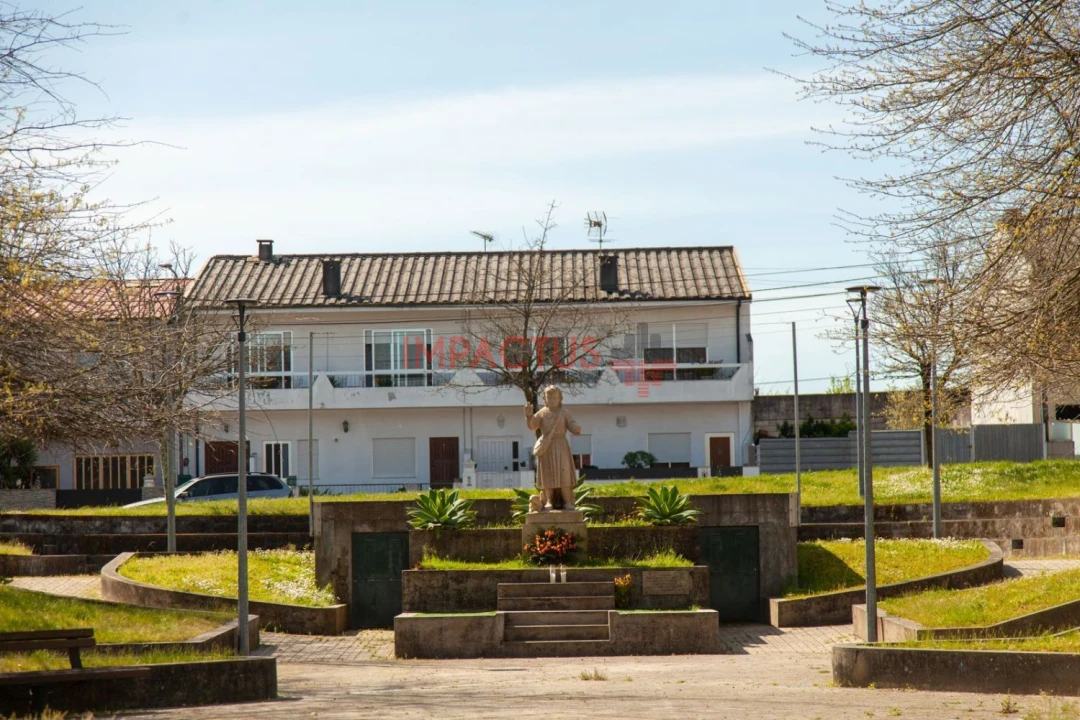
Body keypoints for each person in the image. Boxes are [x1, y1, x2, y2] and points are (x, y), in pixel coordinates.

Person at [524, 385, 582, 511]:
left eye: (555, 397)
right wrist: (529, 416)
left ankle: (567, 501)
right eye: (549, 397)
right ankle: (549, 501)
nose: (552, 400)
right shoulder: (542, 413)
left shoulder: (565, 412)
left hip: (561, 445)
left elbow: (572, 424)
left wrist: (575, 428)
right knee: (547, 473)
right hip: (547, 446)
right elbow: (533, 426)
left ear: (560, 398)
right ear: (544, 398)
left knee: (564, 473)